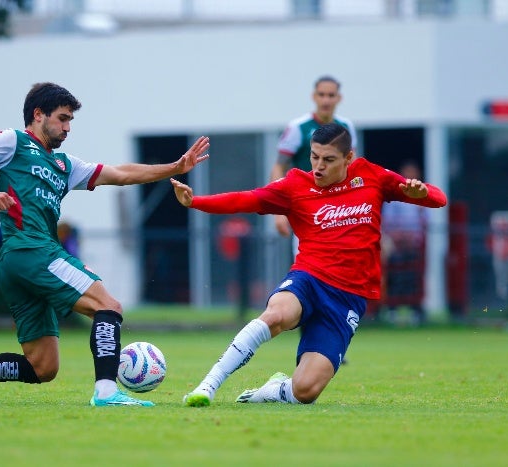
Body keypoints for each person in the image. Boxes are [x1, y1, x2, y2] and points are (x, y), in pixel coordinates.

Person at [0, 82, 210, 407]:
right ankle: (106, 392)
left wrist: (174, 168)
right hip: (31, 251)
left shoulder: (65, 165)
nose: (67, 128)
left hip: (22, 262)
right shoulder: (13, 141)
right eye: (62, 119)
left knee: (42, 367)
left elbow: (120, 173)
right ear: (38, 114)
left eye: (70, 121)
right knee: (109, 306)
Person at [171, 123, 446, 407]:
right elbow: (247, 199)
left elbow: (439, 199)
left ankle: (272, 390)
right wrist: (195, 202)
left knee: (306, 391)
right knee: (277, 315)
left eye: (328, 160)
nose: (318, 166)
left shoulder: (371, 176)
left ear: (348, 158)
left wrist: (422, 194)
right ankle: (207, 386)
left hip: (347, 298)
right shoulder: (295, 185)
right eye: (314, 157)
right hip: (309, 278)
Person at [270, 75, 357, 239]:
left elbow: (353, 167)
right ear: (314, 97)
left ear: (339, 98)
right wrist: (278, 210)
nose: (326, 100)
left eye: (331, 95)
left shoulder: (346, 127)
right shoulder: (298, 127)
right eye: (321, 94)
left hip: (340, 207)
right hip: (306, 207)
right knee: (307, 258)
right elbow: (279, 167)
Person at [380, 161, 428, 325]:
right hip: (396, 244)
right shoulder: (394, 197)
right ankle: (392, 309)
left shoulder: (423, 195)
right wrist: (398, 236)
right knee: (394, 274)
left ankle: (416, 310)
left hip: (414, 246)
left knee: (414, 276)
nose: (411, 178)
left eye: (413, 174)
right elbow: (386, 221)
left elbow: (427, 221)